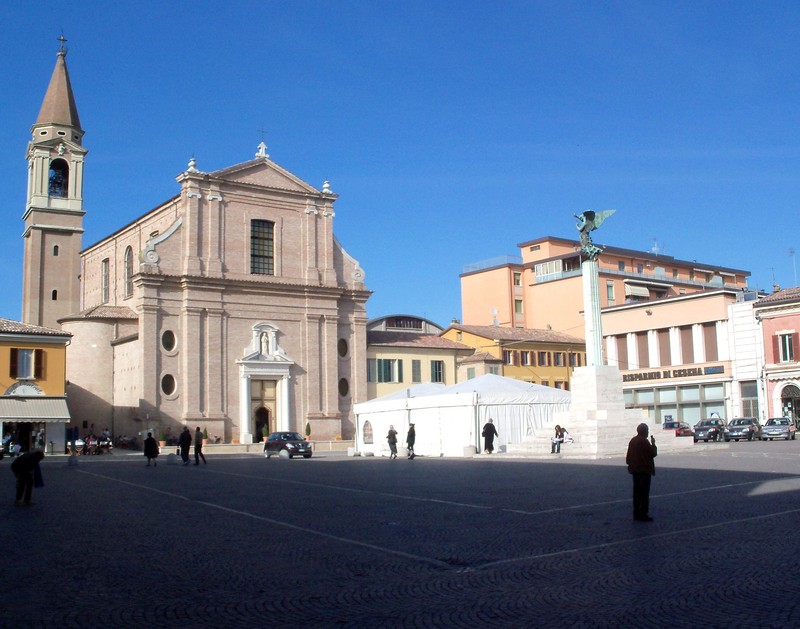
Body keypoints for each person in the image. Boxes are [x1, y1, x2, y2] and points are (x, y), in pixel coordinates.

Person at [626, 423, 657, 522]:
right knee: (644, 493)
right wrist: (653, 444)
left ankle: (636, 513)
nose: (648, 432)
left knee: (636, 493)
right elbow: (652, 453)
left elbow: (628, 457)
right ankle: (643, 513)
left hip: (635, 471)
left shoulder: (633, 441)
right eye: (647, 430)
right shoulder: (644, 441)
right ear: (644, 431)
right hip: (644, 471)